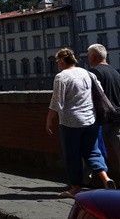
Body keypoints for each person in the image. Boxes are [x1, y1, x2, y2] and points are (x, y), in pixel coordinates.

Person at [47, 48, 116, 197]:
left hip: (70, 123)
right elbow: (100, 93)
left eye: (57, 61)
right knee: (93, 151)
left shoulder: (62, 76)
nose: (57, 64)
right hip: (91, 120)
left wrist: (49, 119)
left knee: (72, 155)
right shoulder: (88, 73)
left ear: (63, 61)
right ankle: (106, 178)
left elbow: (56, 102)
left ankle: (75, 189)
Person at [88, 44, 120, 174]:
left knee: (92, 147)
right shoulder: (114, 71)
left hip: (106, 118)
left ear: (94, 57)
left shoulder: (96, 72)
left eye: (89, 56)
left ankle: (87, 178)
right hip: (117, 114)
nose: (87, 59)